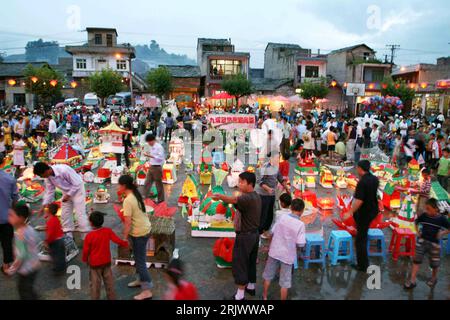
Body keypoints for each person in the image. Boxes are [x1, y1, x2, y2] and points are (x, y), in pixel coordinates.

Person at [212, 172, 261, 300]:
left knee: (240, 263)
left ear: (250, 184)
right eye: (238, 181)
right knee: (251, 261)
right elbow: (236, 202)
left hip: (245, 236)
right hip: (254, 235)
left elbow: (234, 200)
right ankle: (251, 286)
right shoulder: (256, 196)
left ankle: (239, 296)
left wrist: (220, 196)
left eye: (242, 182)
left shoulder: (247, 198)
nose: (239, 184)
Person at [262, 199, 306, 300]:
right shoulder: (300, 225)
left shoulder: (282, 217)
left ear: (290, 208)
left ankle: (264, 297)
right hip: (288, 256)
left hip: (274, 251)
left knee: (268, 276)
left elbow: (272, 232)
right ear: (302, 211)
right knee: (284, 283)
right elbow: (300, 244)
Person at [34, 162, 91, 239]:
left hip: (78, 191)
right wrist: (44, 205)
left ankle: (85, 237)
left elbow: (78, 183)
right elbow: (50, 191)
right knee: (65, 214)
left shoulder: (64, 170)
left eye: (41, 175)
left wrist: (69, 195)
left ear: (46, 171)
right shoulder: (48, 177)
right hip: (66, 192)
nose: (42, 177)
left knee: (80, 214)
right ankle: (69, 236)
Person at [118, 175, 153, 300]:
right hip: (144, 229)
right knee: (138, 258)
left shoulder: (128, 200)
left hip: (139, 233)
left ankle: (147, 290)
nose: (118, 187)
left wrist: (124, 237)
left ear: (124, 186)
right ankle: (140, 280)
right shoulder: (135, 194)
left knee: (140, 262)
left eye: (119, 185)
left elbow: (127, 223)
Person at [404, 198, 449, 289]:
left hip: (434, 244)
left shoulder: (441, 219)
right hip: (422, 241)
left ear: (436, 208)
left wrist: (442, 233)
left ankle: (433, 278)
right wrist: (417, 232)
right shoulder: (424, 216)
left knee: (434, 263)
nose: (426, 211)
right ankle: (412, 280)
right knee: (416, 261)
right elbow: (416, 222)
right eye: (426, 208)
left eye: (428, 209)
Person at [82, 211, 128, 300]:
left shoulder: (89, 236)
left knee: (95, 286)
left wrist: (85, 259)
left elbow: (86, 251)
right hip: (106, 262)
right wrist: (125, 243)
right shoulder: (107, 231)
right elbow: (117, 240)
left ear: (91, 223)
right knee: (109, 283)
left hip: (95, 265)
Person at [346, 160, 379, 272]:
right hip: (372, 210)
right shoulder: (374, 179)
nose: (356, 170)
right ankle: (363, 263)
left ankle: (362, 265)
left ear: (360, 169)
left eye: (357, 168)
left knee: (360, 239)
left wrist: (350, 212)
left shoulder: (362, 182)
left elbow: (359, 201)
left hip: (364, 212)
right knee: (362, 235)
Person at [6, 204, 40, 300]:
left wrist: (11, 270)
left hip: (26, 269)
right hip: (35, 265)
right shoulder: (30, 229)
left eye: (11, 215)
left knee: (23, 291)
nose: (9, 218)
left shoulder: (19, 234)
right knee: (29, 288)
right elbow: (35, 241)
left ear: (20, 218)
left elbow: (21, 256)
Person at [256, 156, 290, 238]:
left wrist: (286, 188)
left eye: (278, 159)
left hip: (272, 194)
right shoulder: (265, 168)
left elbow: (280, 178)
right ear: (271, 159)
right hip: (264, 194)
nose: (278, 160)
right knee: (263, 214)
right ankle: (260, 232)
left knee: (270, 214)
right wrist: (267, 189)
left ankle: (266, 230)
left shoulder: (276, 167)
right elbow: (260, 181)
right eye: (276, 159)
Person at [0, 154, 18, 275]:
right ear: (3, 162)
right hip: (5, 217)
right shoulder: (9, 178)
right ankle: (7, 265)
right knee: (7, 242)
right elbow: (15, 198)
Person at [44, 203, 66, 274]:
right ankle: (63, 267)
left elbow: (50, 234)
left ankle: (58, 269)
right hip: (61, 239)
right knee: (61, 255)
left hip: (55, 241)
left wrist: (47, 242)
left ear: (49, 211)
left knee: (55, 255)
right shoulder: (56, 219)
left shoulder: (50, 221)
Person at [143, 134, 165, 203]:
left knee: (158, 184)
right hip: (152, 166)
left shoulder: (159, 147)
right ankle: (146, 197)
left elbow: (160, 158)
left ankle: (161, 200)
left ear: (153, 140)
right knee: (147, 182)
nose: (149, 143)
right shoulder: (152, 147)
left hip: (157, 167)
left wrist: (150, 155)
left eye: (149, 142)